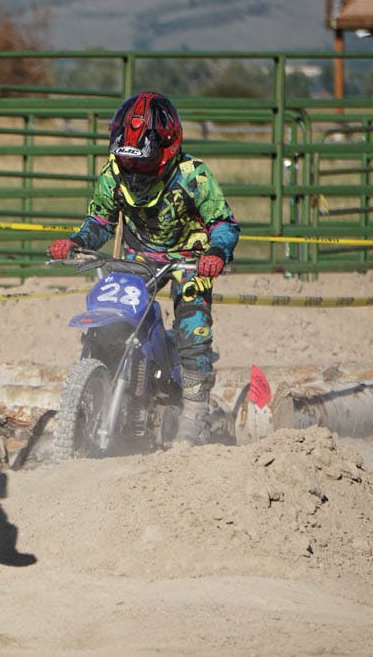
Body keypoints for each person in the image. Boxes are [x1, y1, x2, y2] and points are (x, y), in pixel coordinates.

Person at [48, 91, 240, 445]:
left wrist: (216, 252)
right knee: (117, 314)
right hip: (139, 256)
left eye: (142, 162)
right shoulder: (113, 173)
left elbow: (223, 223)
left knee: (192, 322)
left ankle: (194, 412)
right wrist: (77, 241)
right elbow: (101, 220)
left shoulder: (192, 175)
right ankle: (107, 385)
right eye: (128, 161)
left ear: (167, 150)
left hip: (190, 256)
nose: (134, 170)